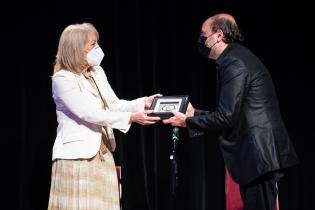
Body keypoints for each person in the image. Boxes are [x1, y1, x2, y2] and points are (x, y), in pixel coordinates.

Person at [163, 13, 299, 210]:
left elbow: (226, 117)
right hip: (257, 158)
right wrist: (195, 114)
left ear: (218, 35)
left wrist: (188, 121)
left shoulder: (234, 63)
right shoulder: (235, 58)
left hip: (259, 157)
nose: (200, 39)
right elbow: (232, 112)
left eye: (204, 34)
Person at [48, 22, 161, 210]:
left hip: (103, 152)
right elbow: (88, 113)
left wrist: (143, 102)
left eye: (97, 43)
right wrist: (131, 118)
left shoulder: (97, 73)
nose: (97, 48)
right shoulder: (63, 79)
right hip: (77, 157)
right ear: (76, 48)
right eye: (92, 44)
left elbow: (114, 105)